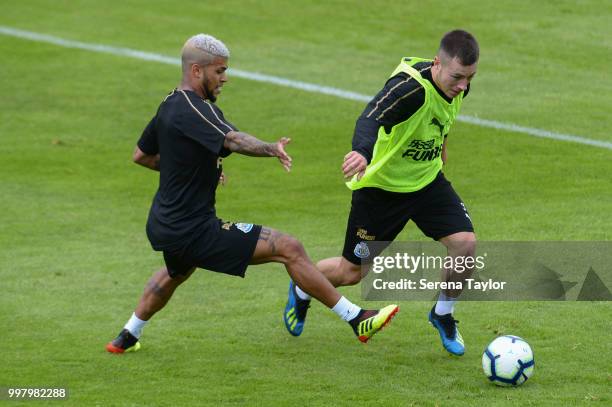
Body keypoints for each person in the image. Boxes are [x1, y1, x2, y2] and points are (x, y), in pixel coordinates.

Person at [106, 34, 399, 353]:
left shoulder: (169, 103)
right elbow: (233, 140)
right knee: (288, 247)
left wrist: (196, 168)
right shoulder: (194, 108)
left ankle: (127, 336)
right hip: (193, 228)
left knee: (176, 272)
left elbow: (142, 155)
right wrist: (270, 148)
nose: (224, 78)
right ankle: (357, 319)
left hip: (165, 223)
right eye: (218, 71)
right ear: (196, 70)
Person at [283, 30, 479, 356]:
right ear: (436, 64)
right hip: (382, 190)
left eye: (470, 77)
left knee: (466, 245)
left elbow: (442, 114)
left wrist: (441, 145)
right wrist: (362, 151)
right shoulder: (409, 90)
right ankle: (304, 287)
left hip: (426, 182)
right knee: (351, 273)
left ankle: (443, 314)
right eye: (458, 76)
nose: (463, 85)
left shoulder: (458, 83)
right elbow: (370, 117)